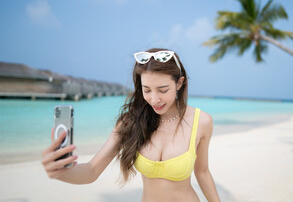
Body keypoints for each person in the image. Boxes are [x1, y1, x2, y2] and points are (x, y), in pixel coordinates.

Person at [41, 48, 221, 201]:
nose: (154, 99)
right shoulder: (130, 122)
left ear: (180, 83)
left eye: (163, 90)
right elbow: (92, 170)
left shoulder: (202, 122)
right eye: (147, 90)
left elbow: (203, 172)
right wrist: (60, 172)